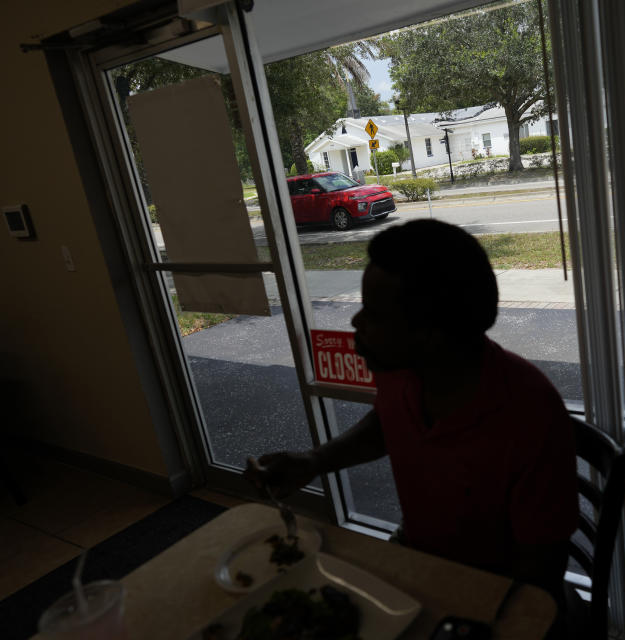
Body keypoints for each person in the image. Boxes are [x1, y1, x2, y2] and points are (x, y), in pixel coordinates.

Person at [245, 219, 578, 607]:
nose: (356, 322)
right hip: (417, 555)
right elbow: (387, 424)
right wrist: (313, 461)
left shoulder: (530, 417)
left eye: (372, 313)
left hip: (490, 592)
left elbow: (541, 572)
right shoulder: (403, 372)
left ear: (430, 335)